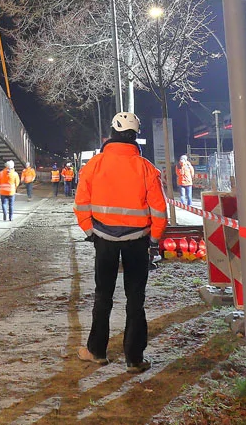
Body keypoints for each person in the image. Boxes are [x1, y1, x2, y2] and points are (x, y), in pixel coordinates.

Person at [74, 112, 167, 373]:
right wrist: (155, 240)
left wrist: (89, 230)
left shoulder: (94, 164)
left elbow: (81, 203)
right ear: (135, 137)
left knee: (103, 295)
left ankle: (97, 352)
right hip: (138, 241)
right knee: (135, 299)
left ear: (111, 135)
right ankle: (134, 359)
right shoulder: (146, 168)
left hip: (103, 239)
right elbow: (159, 210)